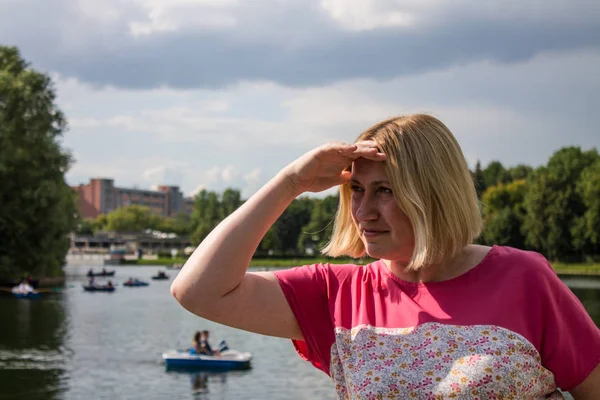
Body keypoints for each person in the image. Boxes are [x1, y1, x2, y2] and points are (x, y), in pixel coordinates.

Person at [171, 114, 600, 398]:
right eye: (356, 190)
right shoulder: (338, 293)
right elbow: (199, 291)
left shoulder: (522, 277)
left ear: (432, 193)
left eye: (385, 191)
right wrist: (289, 183)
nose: (362, 212)